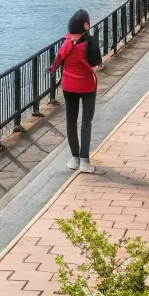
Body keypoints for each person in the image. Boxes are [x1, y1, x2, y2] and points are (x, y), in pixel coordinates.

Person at [46, 9, 103, 173]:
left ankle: (74, 158)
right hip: (86, 86)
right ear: (85, 25)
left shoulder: (65, 43)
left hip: (68, 86)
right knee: (86, 121)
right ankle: (85, 161)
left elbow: (58, 62)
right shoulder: (89, 42)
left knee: (71, 121)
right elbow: (96, 62)